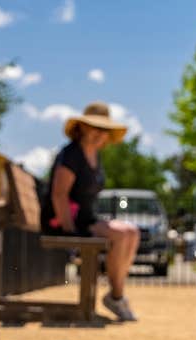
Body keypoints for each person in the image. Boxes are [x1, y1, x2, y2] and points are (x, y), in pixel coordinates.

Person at [43, 102, 141, 321]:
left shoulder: (95, 155)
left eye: (104, 130)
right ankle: (117, 296)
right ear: (83, 128)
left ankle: (116, 294)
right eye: (95, 127)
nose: (100, 134)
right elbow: (59, 195)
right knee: (121, 234)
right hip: (65, 223)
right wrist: (71, 234)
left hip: (86, 220)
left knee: (132, 232)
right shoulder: (71, 154)